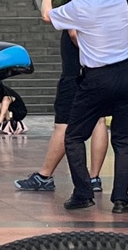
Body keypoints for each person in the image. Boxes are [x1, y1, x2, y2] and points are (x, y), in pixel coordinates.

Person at [39, 0, 128, 215]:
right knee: (125, 139)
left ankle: (83, 193)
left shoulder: (81, 7)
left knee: (73, 136)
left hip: (97, 79)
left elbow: (48, 17)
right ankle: (121, 200)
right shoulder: (122, 0)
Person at [13, 28, 111, 193]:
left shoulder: (78, 3)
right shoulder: (104, 3)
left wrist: (89, 53)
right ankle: (94, 178)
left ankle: (44, 176)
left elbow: (73, 33)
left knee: (63, 124)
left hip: (75, 73)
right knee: (99, 121)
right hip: (100, 73)